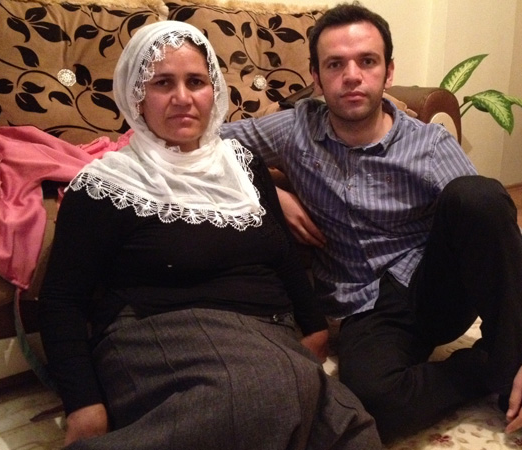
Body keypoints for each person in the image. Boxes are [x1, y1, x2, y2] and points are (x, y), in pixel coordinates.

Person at [220, 3, 522, 449]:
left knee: (477, 195)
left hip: (433, 290)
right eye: (335, 64)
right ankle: (493, 366)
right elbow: (207, 146)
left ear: (389, 71)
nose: (352, 76)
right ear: (317, 78)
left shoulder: (429, 145)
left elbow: (509, 244)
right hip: (362, 304)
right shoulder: (294, 130)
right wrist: (270, 192)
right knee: (374, 404)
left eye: (367, 61)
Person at [38, 20, 382, 450]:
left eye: (196, 82)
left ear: (214, 90)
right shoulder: (106, 185)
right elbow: (61, 300)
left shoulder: (242, 165)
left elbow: (282, 254)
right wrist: (83, 404)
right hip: (159, 334)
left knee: (353, 430)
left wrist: (313, 325)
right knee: (263, 395)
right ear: (137, 95)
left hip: (268, 335)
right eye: (163, 83)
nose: (183, 98)